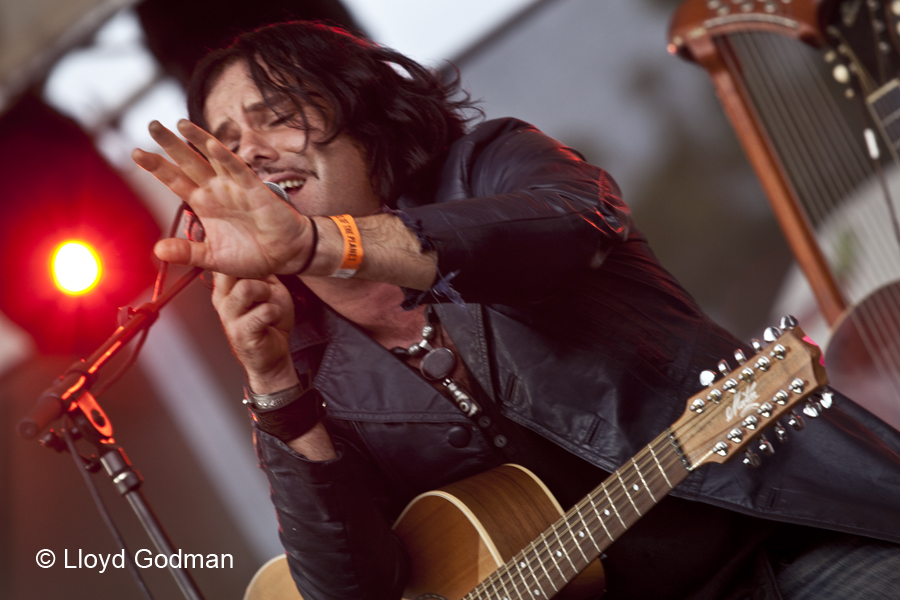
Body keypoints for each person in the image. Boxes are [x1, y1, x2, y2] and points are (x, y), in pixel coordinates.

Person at [132, 21, 900, 600]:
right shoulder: (309, 360)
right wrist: (274, 388)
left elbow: (569, 229)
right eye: (227, 142)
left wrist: (319, 244)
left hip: (777, 548)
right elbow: (351, 589)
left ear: (361, 117)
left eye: (277, 116)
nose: (251, 153)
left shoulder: (492, 165)